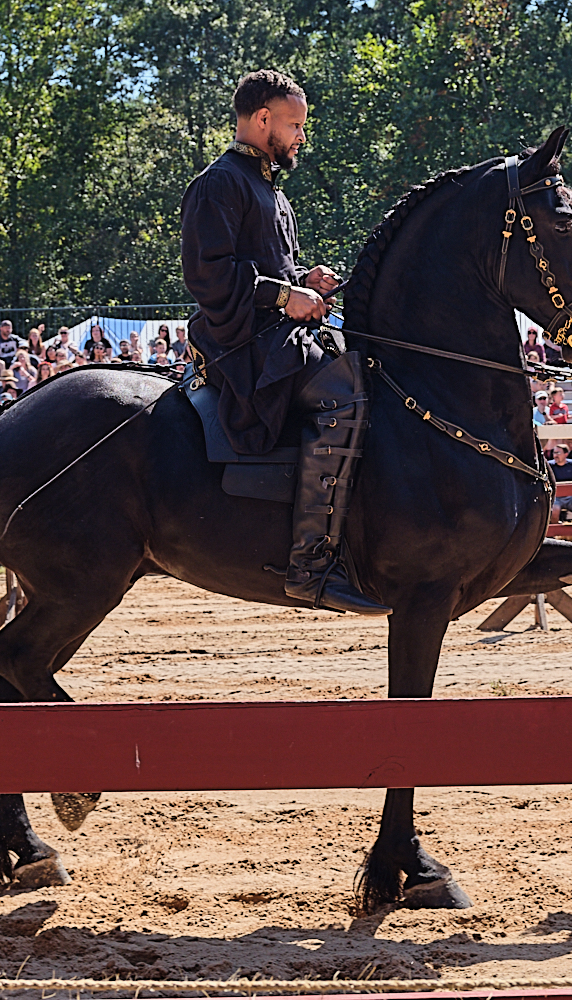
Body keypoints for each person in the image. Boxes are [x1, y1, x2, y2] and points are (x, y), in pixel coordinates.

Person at [181, 69, 386, 614]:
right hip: (241, 346)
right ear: (262, 118)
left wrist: (304, 281)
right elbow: (208, 276)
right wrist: (284, 295)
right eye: (294, 125)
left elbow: (268, 271)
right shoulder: (219, 183)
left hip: (278, 336)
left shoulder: (267, 187)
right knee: (343, 397)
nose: (301, 136)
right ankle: (310, 564)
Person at [547, 442, 572, 522]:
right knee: (554, 511)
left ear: (566, 454)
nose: (555, 455)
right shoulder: (549, 466)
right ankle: (556, 529)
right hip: (556, 497)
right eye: (554, 453)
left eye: (558, 453)